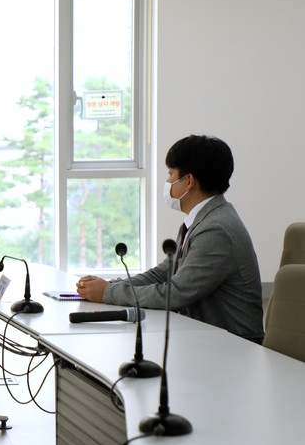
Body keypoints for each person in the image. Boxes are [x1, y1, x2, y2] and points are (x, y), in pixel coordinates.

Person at [76, 135, 264, 342]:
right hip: (207, 339)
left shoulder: (216, 229)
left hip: (235, 346)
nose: (167, 182)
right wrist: (109, 286)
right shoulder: (202, 219)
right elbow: (163, 274)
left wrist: (108, 293)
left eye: (170, 174)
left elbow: (176, 293)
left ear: (188, 181)